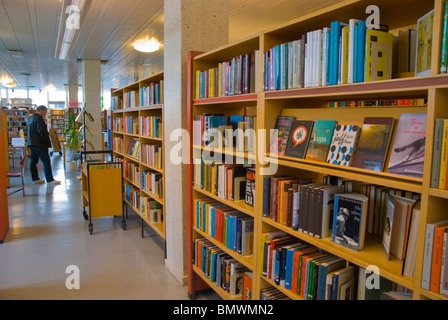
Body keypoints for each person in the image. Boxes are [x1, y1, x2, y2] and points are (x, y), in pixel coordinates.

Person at [27, 105, 60, 185]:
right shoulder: (39, 118)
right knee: (46, 160)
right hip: (40, 143)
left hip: (31, 143)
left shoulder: (30, 118)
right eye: (45, 112)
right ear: (41, 110)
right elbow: (41, 131)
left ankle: (35, 179)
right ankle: (50, 179)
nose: (45, 114)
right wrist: (46, 142)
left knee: (33, 161)